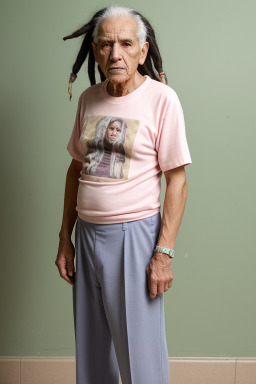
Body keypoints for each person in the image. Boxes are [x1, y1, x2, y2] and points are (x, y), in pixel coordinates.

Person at [55, 5, 192, 384]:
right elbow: (75, 169)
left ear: (142, 51)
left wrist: (163, 252)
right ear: (96, 50)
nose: (115, 54)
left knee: (140, 355)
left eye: (126, 44)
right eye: (106, 44)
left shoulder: (162, 99)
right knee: (93, 353)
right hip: (87, 236)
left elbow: (177, 181)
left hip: (135, 237)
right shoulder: (89, 99)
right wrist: (65, 238)